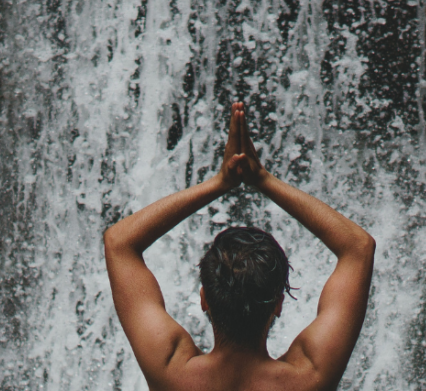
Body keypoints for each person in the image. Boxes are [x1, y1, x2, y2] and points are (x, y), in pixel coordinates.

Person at [104, 102, 376, 391]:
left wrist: (220, 183)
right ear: (279, 304)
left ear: (204, 299)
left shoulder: (171, 371)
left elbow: (119, 242)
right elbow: (358, 247)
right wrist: (263, 179)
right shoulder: (309, 377)